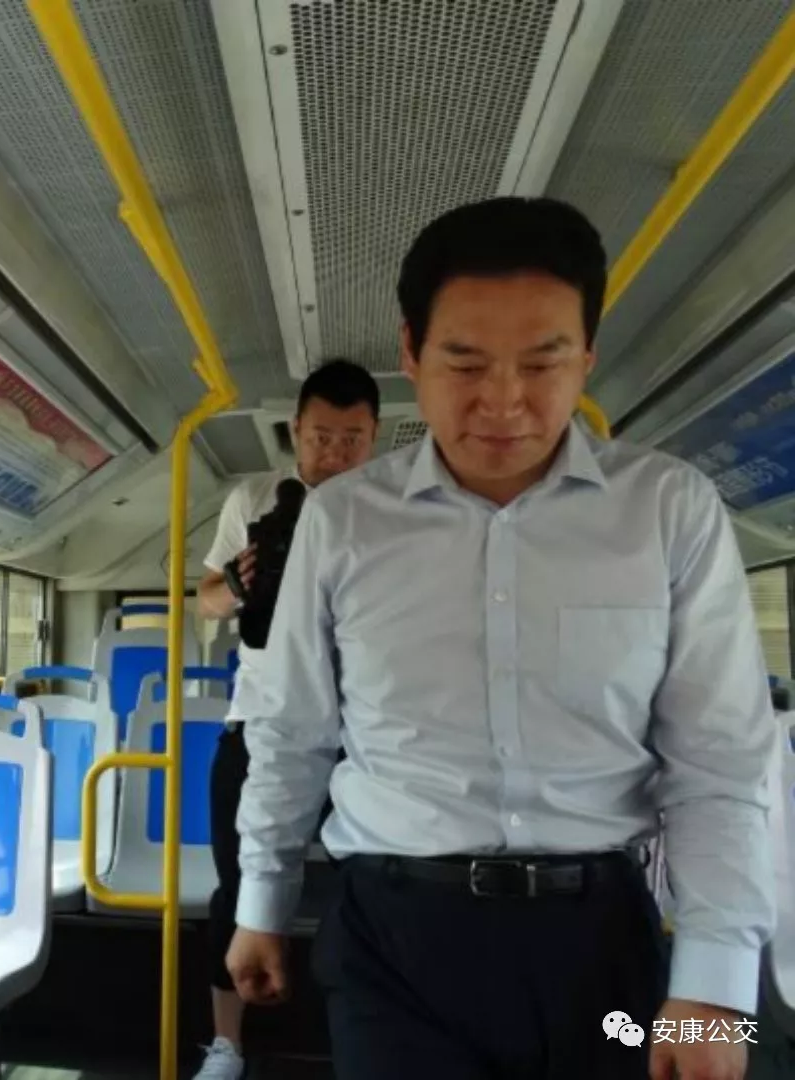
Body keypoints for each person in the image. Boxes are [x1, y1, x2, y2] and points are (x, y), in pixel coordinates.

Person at [226, 197, 776, 1080]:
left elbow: (720, 759)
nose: (504, 401)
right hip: (393, 943)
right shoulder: (344, 521)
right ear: (412, 353)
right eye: (466, 362)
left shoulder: (670, 510)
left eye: (544, 362)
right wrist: (262, 900)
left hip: (603, 942)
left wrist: (717, 988)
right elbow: (294, 730)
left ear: (587, 356)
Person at [193, 358, 380, 1080]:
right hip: (262, 716)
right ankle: (227, 1045)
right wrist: (239, 586)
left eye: (351, 440)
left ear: (374, 438)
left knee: (375, 888)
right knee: (234, 885)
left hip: (363, 727)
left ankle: (366, 1035)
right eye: (322, 438)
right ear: (296, 431)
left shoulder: (392, 508)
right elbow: (206, 599)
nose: (335, 454)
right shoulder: (253, 498)